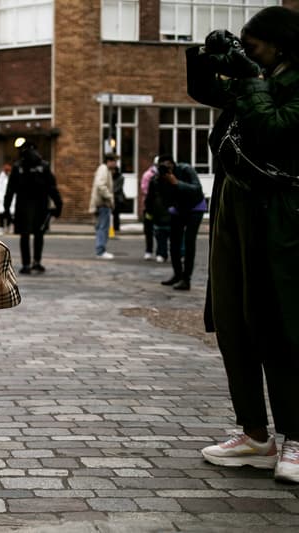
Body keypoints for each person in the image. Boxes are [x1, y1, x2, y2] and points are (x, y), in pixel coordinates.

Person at [186, 6, 299, 483]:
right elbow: (204, 89)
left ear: (280, 45)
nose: (245, 51)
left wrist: (251, 74)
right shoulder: (255, 75)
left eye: (252, 45)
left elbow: (272, 129)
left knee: (282, 322)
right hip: (235, 209)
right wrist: (206, 54)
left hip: (280, 216)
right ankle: (255, 433)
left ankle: (296, 438)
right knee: (235, 321)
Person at [4, 142, 62, 274]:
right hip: (41, 205)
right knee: (39, 234)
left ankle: (26, 264)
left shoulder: (18, 167)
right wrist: (59, 205)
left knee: (25, 236)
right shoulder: (44, 166)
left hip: (23, 206)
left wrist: (7, 209)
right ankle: (37, 262)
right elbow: (52, 189)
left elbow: (10, 191)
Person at [156, 155, 205, 291]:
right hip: (179, 210)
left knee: (189, 243)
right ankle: (177, 275)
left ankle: (186, 279)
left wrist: (176, 182)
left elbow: (196, 189)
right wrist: (161, 181)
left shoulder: (186, 169)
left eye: (168, 166)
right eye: (163, 167)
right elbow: (164, 198)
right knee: (174, 243)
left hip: (195, 208)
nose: (167, 169)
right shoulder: (162, 178)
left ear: (173, 163)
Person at [89, 153, 117, 259]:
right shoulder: (103, 169)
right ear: (109, 161)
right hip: (103, 204)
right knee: (103, 228)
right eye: (114, 161)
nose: (115, 164)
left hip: (101, 204)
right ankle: (101, 251)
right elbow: (100, 185)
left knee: (101, 227)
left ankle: (100, 250)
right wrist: (109, 197)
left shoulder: (105, 170)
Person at [143, 163, 172, 264]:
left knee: (162, 233)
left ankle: (162, 253)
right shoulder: (155, 180)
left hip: (162, 210)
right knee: (160, 233)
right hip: (159, 210)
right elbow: (149, 196)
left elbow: (149, 196)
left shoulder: (159, 180)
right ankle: (161, 253)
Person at [140, 157, 158, 260]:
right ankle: (149, 251)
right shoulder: (148, 175)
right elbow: (144, 189)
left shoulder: (163, 175)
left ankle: (161, 252)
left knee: (161, 231)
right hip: (150, 207)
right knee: (149, 230)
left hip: (160, 208)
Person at [0, 162, 14, 234]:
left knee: (9, 214)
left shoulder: (10, 178)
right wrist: (0, 198)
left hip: (9, 199)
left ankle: (8, 227)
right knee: (1, 215)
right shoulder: (1, 179)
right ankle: (1, 228)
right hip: (2, 199)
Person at [112, 165, 125, 234]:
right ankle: (112, 227)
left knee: (116, 213)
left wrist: (111, 192)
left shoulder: (121, 178)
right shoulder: (111, 177)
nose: (112, 172)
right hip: (111, 197)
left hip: (117, 197)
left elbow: (118, 188)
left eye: (113, 170)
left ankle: (116, 227)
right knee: (112, 213)